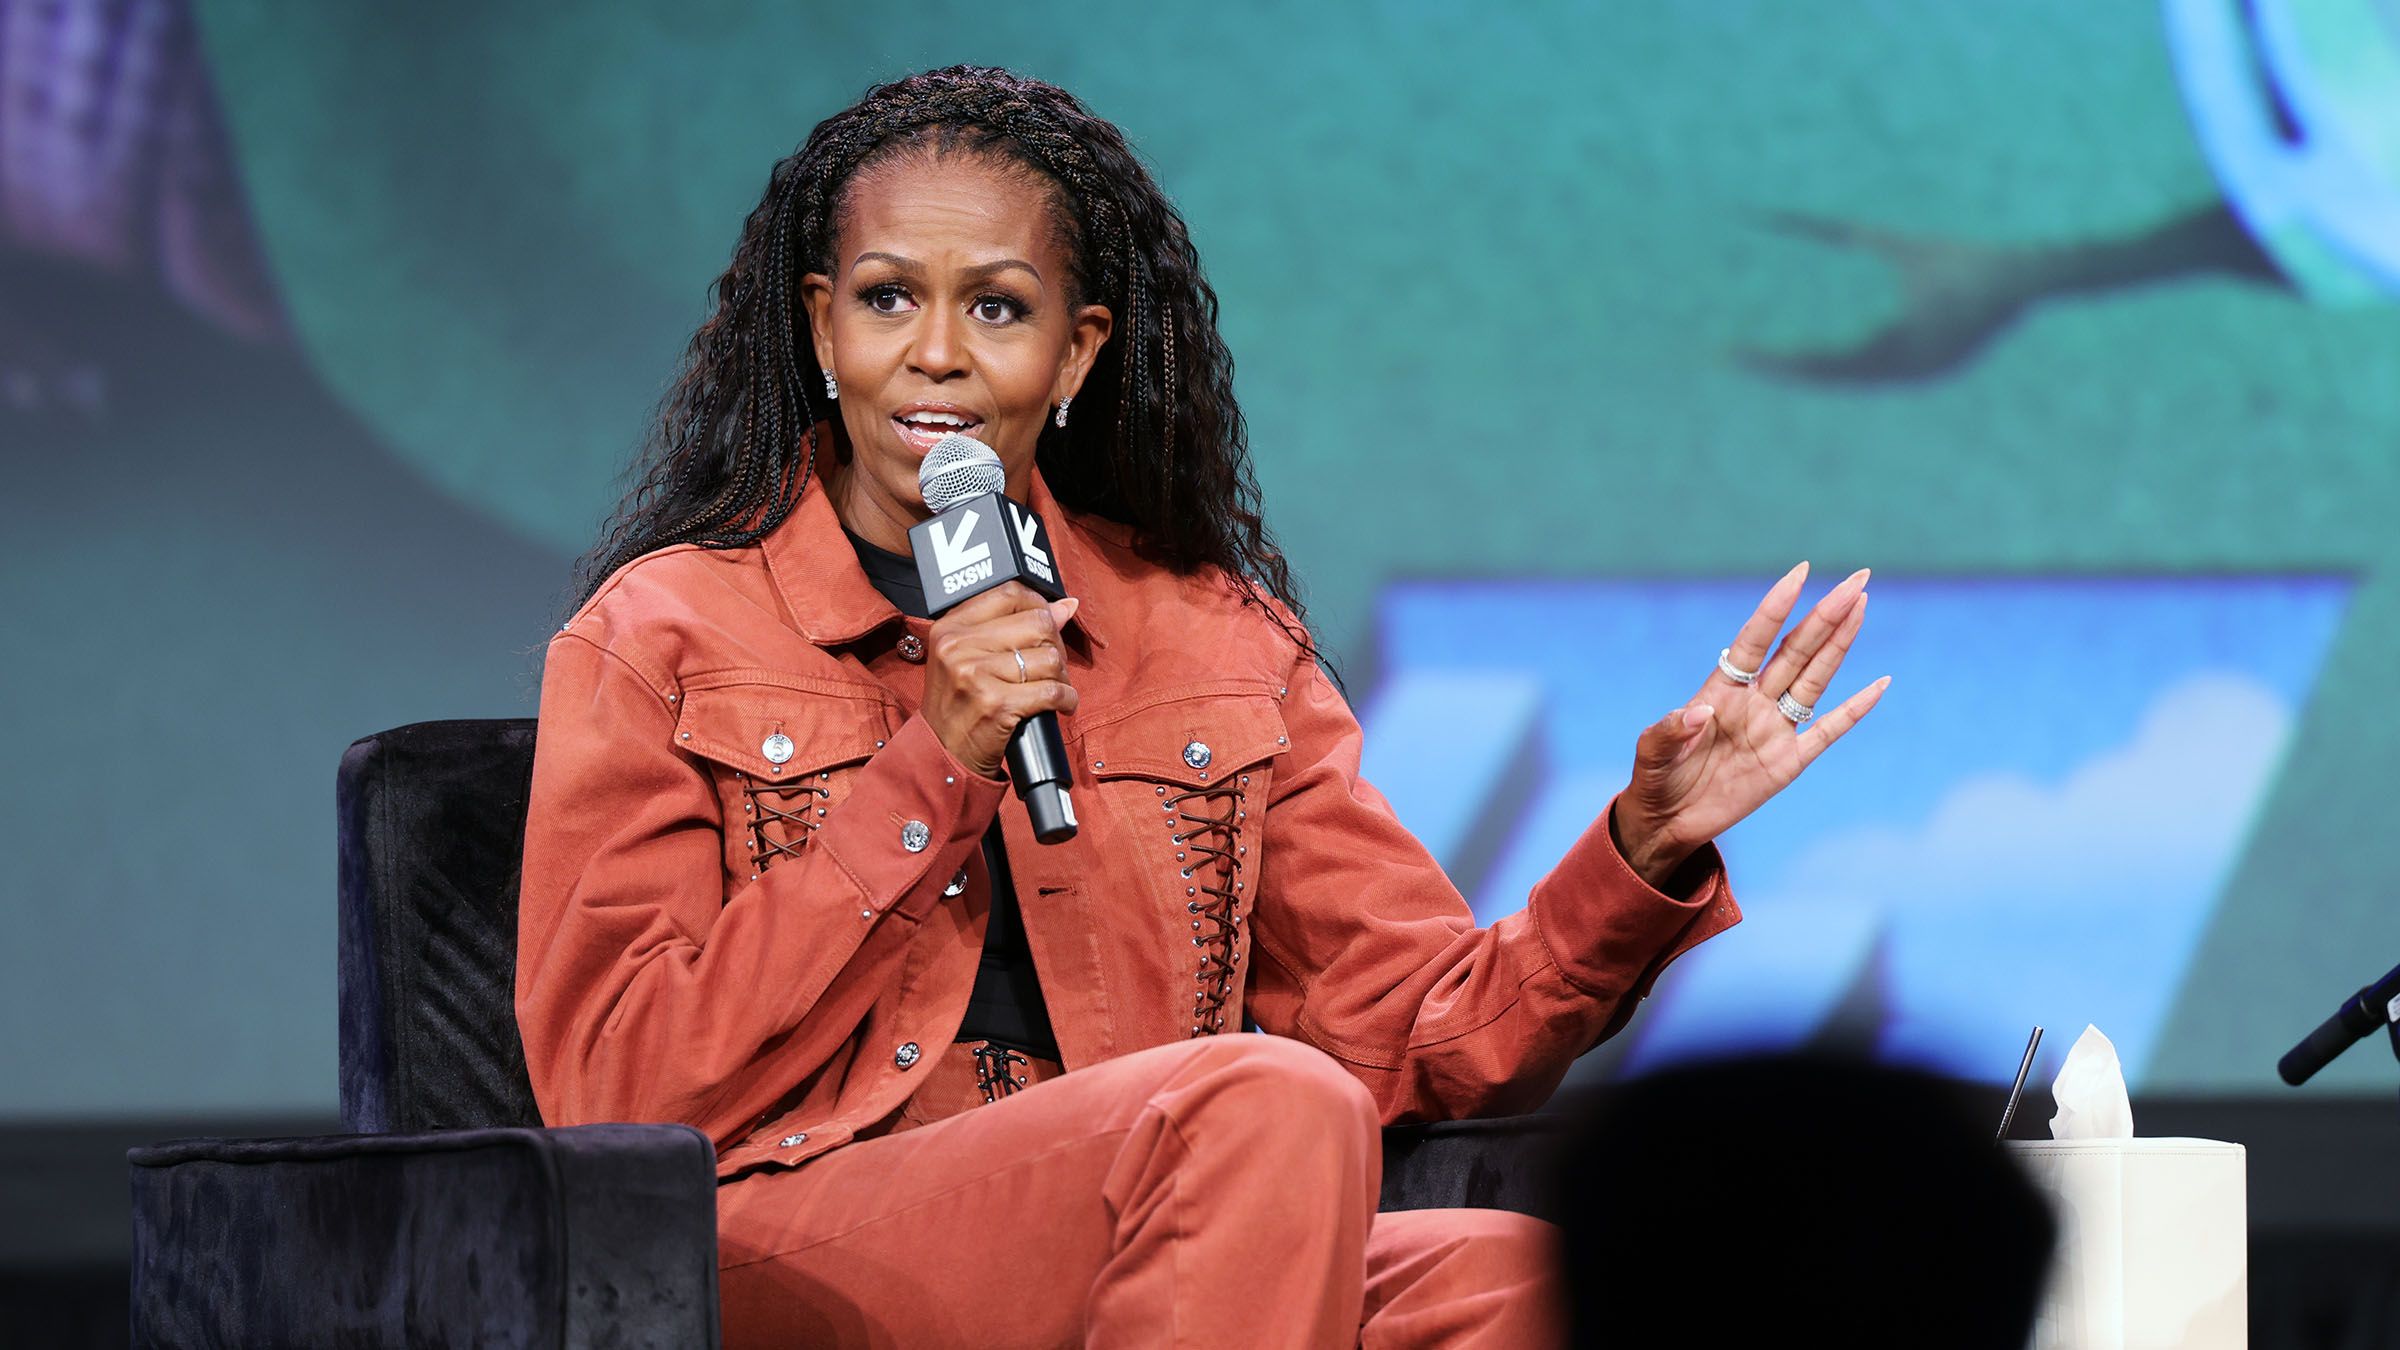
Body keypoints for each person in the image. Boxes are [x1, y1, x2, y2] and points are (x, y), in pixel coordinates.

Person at [514, 64, 1886, 1349]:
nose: (935, 353)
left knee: (1512, 1279)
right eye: (886, 300)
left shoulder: (1209, 635)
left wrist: (1641, 848)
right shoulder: (664, 634)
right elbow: (615, 1086)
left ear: (1076, 353)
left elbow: (1415, 1033)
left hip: (1171, 1206)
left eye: (997, 308)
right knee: (1258, 1103)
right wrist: (935, 764)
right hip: (791, 1227)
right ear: (823, 327)